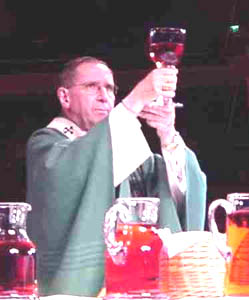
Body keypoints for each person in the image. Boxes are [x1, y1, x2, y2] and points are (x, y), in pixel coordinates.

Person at [26, 56, 207, 297]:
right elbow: (75, 170)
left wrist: (167, 135)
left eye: (110, 89)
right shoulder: (46, 145)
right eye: (92, 87)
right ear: (65, 97)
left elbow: (179, 195)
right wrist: (135, 100)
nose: (104, 96)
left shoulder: (127, 150)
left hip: (136, 286)